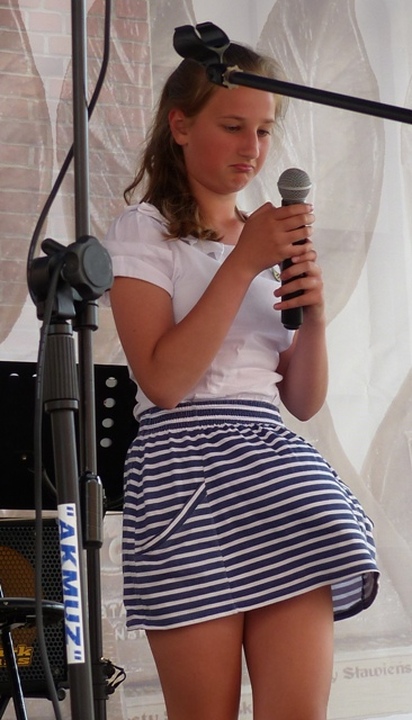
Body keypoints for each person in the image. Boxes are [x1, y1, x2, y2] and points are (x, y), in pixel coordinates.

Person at [103, 41, 379, 720]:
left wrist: (314, 319)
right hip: (184, 475)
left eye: (264, 130)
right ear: (180, 125)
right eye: (233, 126)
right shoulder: (144, 231)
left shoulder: (268, 239)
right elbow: (164, 382)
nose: (252, 148)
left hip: (271, 464)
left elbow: (302, 401)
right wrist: (243, 261)